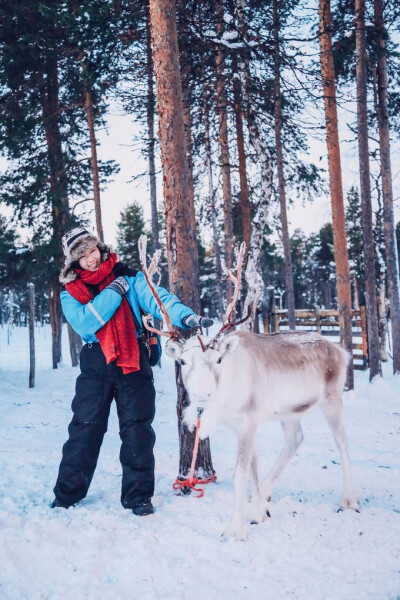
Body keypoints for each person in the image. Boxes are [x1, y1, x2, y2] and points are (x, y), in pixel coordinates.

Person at [52, 226, 212, 516]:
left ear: (100, 247)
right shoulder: (71, 292)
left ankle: (138, 498)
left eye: (92, 250)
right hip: (95, 365)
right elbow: (87, 324)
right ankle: (67, 495)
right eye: (82, 256)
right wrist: (114, 292)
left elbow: (159, 299)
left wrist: (186, 317)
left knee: (138, 431)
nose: (90, 258)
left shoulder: (129, 278)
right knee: (84, 431)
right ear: (73, 262)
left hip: (133, 361)